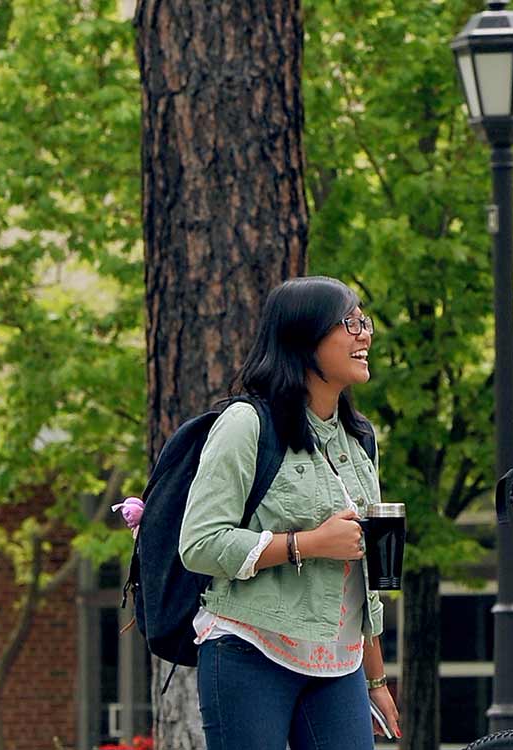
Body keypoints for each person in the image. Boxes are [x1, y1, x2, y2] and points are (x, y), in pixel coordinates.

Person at [178, 276, 402, 749]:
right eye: (350, 322)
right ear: (304, 337)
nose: (365, 334)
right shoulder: (246, 425)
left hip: (339, 664)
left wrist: (376, 679)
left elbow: (368, 573)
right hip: (251, 650)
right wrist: (307, 544)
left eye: (365, 322)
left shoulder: (360, 437)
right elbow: (198, 544)